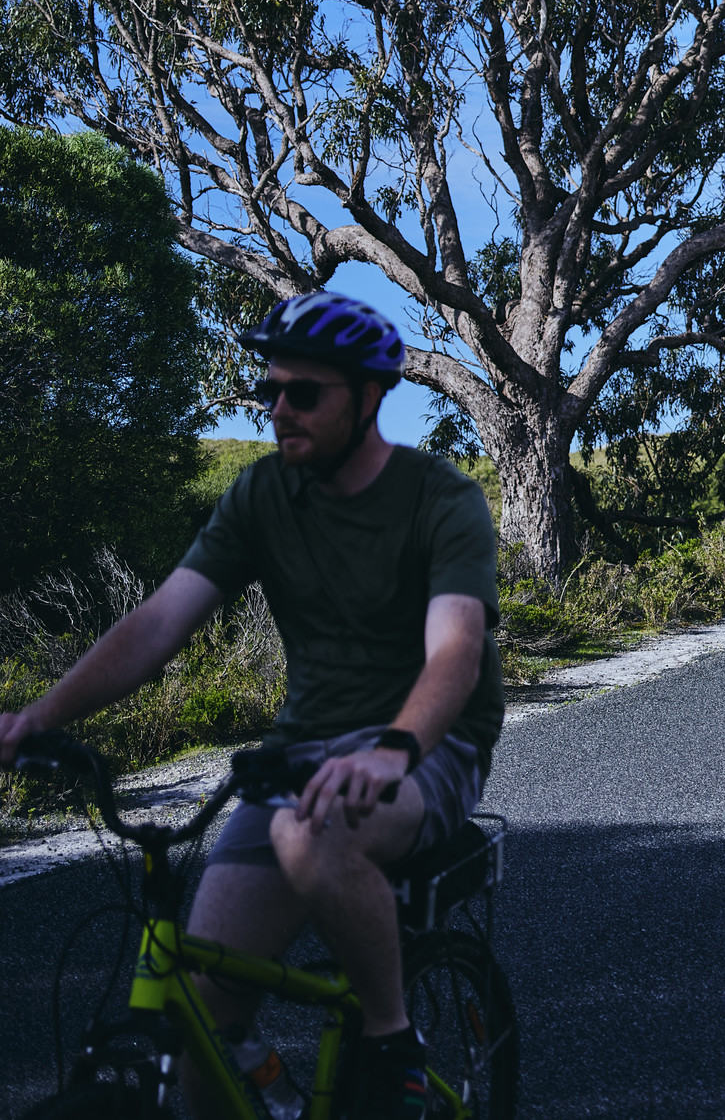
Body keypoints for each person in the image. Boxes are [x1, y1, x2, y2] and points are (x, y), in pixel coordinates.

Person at [0, 291, 502, 1120]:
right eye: (269, 391)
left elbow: (455, 648)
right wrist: (37, 720)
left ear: (369, 396)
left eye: (304, 394)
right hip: (299, 751)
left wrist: (392, 749)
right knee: (203, 1017)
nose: (279, 411)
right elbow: (160, 621)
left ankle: (392, 1043)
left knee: (312, 831)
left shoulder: (440, 500)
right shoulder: (261, 496)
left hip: (425, 746)